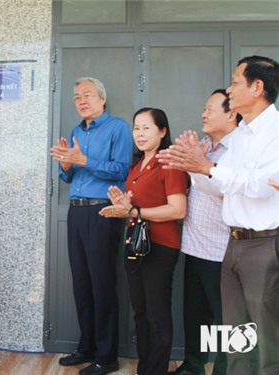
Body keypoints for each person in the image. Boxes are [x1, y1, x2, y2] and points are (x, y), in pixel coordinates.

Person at [157, 55, 279, 375]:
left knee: (266, 340)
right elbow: (218, 183)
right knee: (237, 337)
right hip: (233, 244)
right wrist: (196, 166)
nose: (230, 88)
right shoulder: (238, 137)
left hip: (263, 245)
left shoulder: (275, 132)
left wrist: (206, 167)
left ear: (257, 87)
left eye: (236, 82)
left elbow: (261, 187)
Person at [51, 77, 133, 375]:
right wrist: (66, 166)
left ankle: (107, 355)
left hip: (103, 212)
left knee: (101, 284)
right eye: (76, 97)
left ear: (102, 98)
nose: (81, 101)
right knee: (82, 283)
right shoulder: (76, 131)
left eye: (87, 95)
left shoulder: (118, 128)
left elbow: (122, 170)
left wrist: (83, 159)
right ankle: (86, 347)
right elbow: (71, 177)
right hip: (76, 212)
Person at [99, 108, 188, 375]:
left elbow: (178, 210)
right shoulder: (136, 166)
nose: (139, 133)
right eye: (136, 128)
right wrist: (124, 204)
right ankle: (145, 369)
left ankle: (156, 370)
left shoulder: (170, 163)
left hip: (160, 247)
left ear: (163, 131)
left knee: (157, 316)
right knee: (140, 313)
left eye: (146, 128)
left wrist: (133, 211)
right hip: (135, 245)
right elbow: (137, 206)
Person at [168, 90, 240, 375]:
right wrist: (190, 158)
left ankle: (226, 369)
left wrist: (196, 165)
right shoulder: (205, 146)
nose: (203, 114)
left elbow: (225, 192)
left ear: (231, 113)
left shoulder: (239, 149)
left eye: (210, 109)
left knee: (227, 318)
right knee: (196, 314)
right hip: (195, 246)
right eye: (204, 108)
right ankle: (194, 365)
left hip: (223, 248)